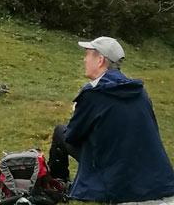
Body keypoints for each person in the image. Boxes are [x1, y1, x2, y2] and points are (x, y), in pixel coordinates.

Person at [47, 36, 174, 203]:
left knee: (59, 132)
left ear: (100, 60)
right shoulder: (139, 91)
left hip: (119, 180)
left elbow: (72, 136)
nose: (84, 60)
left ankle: (58, 184)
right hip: (158, 180)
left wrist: (78, 111)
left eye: (88, 55)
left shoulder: (94, 94)